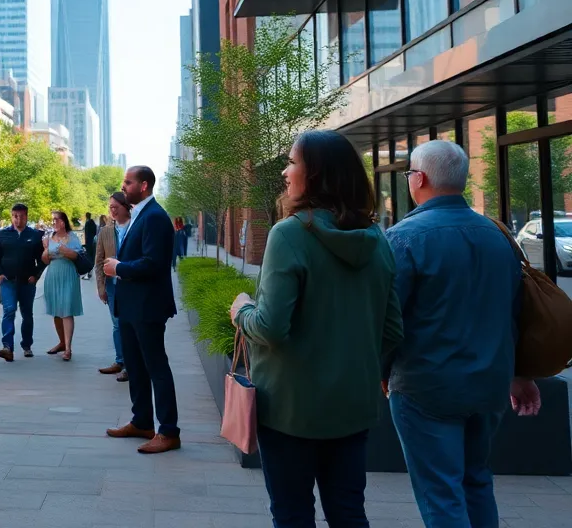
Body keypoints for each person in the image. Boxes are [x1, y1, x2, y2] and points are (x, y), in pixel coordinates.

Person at [229, 130, 403, 525]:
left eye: (292, 163)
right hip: (353, 407)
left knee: (292, 513)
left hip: (291, 410)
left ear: (317, 174)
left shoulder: (289, 234)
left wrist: (242, 310)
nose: (285, 174)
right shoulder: (377, 238)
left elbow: (271, 326)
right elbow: (392, 329)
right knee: (348, 512)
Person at [384, 140, 541, 527]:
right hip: (489, 383)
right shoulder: (499, 236)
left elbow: (388, 320)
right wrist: (520, 374)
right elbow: (515, 312)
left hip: (426, 386)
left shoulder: (403, 238)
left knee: (442, 494)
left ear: (418, 178)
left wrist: (381, 371)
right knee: (476, 482)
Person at [102, 165, 181, 454]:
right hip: (130, 307)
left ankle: (169, 431)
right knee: (135, 367)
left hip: (148, 308)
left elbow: (154, 263)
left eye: (128, 182)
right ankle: (142, 421)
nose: (123, 186)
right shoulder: (139, 215)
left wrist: (119, 267)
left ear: (144, 186)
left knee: (156, 367)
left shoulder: (156, 217)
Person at [0, 203, 45, 361]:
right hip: (8, 281)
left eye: (21, 216)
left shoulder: (35, 235)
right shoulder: (3, 234)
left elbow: (42, 260)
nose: (18, 219)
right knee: (8, 311)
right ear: (11, 216)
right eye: (15, 216)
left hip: (27, 283)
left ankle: (27, 345)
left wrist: (36, 275)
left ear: (26, 217)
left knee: (27, 315)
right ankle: (7, 347)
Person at [95, 192, 131, 382]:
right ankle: (120, 361)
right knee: (117, 325)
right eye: (110, 207)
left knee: (128, 325)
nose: (113, 210)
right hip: (112, 286)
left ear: (126, 206)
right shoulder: (106, 231)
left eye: (116, 207)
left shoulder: (135, 227)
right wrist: (101, 286)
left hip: (131, 285)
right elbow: (99, 260)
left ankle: (131, 365)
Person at [41, 210, 84, 360]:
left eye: (55, 220)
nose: (53, 223)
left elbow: (76, 256)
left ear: (63, 222)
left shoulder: (72, 238)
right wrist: (46, 249)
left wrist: (63, 249)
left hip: (68, 274)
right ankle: (61, 342)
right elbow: (45, 260)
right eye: (52, 220)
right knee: (56, 311)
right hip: (53, 275)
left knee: (66, 310)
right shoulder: (48, 238)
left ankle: (68, 348)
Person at [82, 212, 98, 280]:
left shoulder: (88, 223)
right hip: (92, 241)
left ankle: (89, 273)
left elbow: (86, 233)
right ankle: (89, 272)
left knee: (88, 257)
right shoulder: (93, 223)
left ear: (86, 216)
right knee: (91, 256)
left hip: (88, 242)